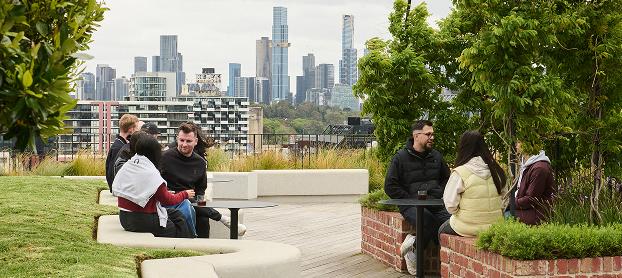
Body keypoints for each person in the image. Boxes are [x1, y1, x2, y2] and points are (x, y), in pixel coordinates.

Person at [384, 120, 451, 275]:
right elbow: (390, 186)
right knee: (426, 220)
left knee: (452, 222)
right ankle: (413, 252)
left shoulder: (436, 156)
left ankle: (414, 241)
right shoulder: (400, 158)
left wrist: (438, 192)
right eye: (428, 134)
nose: (432, 137)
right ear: (416, 135)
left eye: (433, 134)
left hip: (435, 203)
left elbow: (447, 179)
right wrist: (409, 199)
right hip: (410, 205)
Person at [160, 122, 246, 238]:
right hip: (170, 200)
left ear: (195, 141)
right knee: (187, 204)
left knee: (203, 218)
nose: (184, 144)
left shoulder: (200, 162)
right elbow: (156, 181)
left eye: (188, 141)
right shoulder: (165, 157)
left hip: (192, 199)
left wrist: (202, 205)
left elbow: (201, 191)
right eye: (181, 140)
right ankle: (223, 219)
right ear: (177, 139)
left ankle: (203, 246)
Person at [111, 135, 195, 238]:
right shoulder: (150, 173)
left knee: (177, 215)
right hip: (143, 220)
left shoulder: (129, 165)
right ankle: (187, 243)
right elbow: (167, 200)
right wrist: (185, 194)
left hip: (124, 218)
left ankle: (192, 238)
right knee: (176, 229)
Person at [438, 130, 506, 238]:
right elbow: (504, 199)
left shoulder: (460, 172)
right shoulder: (497, 171)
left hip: (466, 227)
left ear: (463, 147)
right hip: (495, 226)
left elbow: (450, 205)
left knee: (441, 231)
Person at [507, 141, 555, 225]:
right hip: (527, 209)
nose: (516, 145)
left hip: (537, 213)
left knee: (504, 216)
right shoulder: (528, 165)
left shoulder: (539, 168)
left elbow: (531, 199)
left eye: (519, 142)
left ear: (527, 144)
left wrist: (511, 203)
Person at [105, 114, 141, 192]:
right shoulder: (119, 148)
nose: (138, 132)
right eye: (137, 129)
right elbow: (113, 173)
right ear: (131, 130)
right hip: (118, 190)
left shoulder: (119, 144)